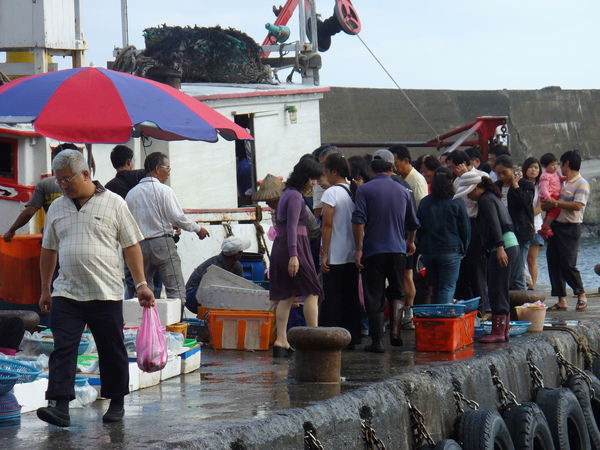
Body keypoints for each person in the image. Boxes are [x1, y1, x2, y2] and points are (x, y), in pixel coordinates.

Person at [36, 150, 155, 427]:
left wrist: (141, 285)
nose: (63, 185)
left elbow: (131, 246)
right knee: (63, 347)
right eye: (59, 181)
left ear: (86, 174)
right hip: (67, 291)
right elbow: (48, 250)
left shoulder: (114, 203)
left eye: (67, 179)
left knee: (111, 348)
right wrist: (45, 289)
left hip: (106, 291)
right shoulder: (56, 207)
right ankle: (60, 405)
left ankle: (116, 402)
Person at [352, 149, 419, 353]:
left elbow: (358, 221)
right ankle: (396, 332)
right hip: (398, 251)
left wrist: (358, 249)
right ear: (392, 167)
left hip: (373, 251)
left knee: (374, 295)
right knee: (397, 291)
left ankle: (377, 342)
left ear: (372, 168)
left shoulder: (364, 190)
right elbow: (413, 223)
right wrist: (410, 241)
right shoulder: (403, 191)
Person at [126, 152, 209, 304]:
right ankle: (176, 324)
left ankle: (145, 325)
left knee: (144, 291)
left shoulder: (131, 194)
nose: (169, 173)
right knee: (175, 290)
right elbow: (178, 217)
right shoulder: (164, 190)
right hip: (162, 243)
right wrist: (198, 229)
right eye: (168, 169)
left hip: (139, 246)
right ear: (158, 169)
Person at [453, 172, 519, 343]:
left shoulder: (485, 200)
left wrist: (499, 247)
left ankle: (498, 331)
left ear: (476, 188)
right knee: (501, 287)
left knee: (497, 288)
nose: (468, 195)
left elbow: (494, 223)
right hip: (511, 244)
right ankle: (503, 330)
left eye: (469, 191)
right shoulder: (492, 197)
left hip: (503, 246)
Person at [269, 158, 323, 357]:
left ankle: (281, 341)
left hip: (282, 246)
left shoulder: (286, 194)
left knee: (287, 294)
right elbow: (292, 225)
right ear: (304, 177)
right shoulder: (295, 197)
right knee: (312, 290)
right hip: (294, 246)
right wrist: (294, 255)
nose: (314, 183)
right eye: (312, 179)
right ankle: (313, 339)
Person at [104, 145, 160, 299]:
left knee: (132, 277)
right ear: (129, 161)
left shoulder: (108, 188)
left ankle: (135, 309)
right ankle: (156, 310)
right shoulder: (141, 176)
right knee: (155, 276)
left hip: (126, 237)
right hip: (151, 233)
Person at [319, 153, 361, 347]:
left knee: (332, 297)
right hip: (352, 253)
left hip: (335, 253)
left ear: (333, 172)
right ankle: (353, 337)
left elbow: (327, 224)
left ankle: (332, 337)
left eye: (326, 171)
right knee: (350, 296)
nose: (325, 175)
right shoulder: (353, 191)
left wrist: (324, 252)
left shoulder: (332, 193)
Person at [543, 150, 589, 312]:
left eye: (560, 164)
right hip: (556, 226)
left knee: (568, 263)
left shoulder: (581, 183)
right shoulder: (561, 182)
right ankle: (561, 300)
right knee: (553, 262)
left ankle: (581, 294)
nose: (558, 168)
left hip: (570, 227)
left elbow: (578, 205)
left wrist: (556, 204)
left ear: (566, 164)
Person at [3, 143, 78, 242]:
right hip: (76, 236)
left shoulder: (45, 184)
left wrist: (11, 230)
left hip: (52, 236)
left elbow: (30, 211)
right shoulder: (84, 184)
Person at [417, 167, 470, 303]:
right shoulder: (457, 202)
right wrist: (463, 249)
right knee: (447, 287)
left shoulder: (424, 203)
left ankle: (435, 320)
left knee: (436, 286)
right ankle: (443, 319)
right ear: (451, 181)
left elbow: (419, 227)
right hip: (451, 250)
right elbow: (465, 229)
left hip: (429, 252)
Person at [447, 149, 490, 315]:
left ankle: (482, 308)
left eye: (453, 167)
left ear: (462, 165)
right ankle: (465, 304)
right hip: (461, 224)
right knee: (462, 267)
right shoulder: (456, 181)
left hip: (476, 223)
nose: (452, 171)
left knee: (477, 268)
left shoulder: (481, 176)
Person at [389, 144, 427, 330]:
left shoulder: (416, 181)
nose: (394, 167)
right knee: (405, 276)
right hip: (405, 236)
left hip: (408, 237)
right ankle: (405, 315)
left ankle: (408, 314)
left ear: (406, 161)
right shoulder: (403, 180)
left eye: (396, 163)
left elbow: (418, 213)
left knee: (406, 276)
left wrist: (412, 239)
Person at [493, 155, 535, 291]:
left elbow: (526, 203)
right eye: (498, 173)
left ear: (513, 169)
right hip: (502, 234)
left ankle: (521, 308)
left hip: (520, 233)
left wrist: (516, 185)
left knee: (518, 273)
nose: (501, 176)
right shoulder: (496, 187)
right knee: (504, 273)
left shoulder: (525, 185)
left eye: (504, 172)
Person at [184, 236, 251, 314]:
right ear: (237, 255)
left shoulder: (237, 265)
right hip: (192, 297)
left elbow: (242, 287)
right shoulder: (214, 267)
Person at [522, 157, 544, 289]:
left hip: (536, 225)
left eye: (536, 167)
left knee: (531, 258)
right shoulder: (520, 184)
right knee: (521, 258)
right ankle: (525, 281)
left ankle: (533, 285)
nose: (533, 170)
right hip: (522, 226)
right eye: (531, 167)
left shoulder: (540, 186)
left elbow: (540, 207)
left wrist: (527, 215)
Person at [537, 152, 566, 240]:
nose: (555, 167)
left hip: (555, 195)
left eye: (556, 164)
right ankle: (547, 226)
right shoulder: (545, 176)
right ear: (545, 166)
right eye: (552, 165)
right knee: (557, 209)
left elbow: (560, 179)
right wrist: (547, 197)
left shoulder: (556, 173)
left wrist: (567, 177)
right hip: (550, 196)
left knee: (550, 213)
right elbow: (543, 188)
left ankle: (544, 227)